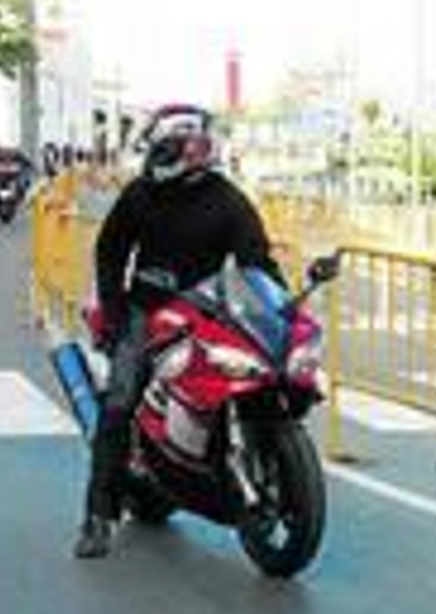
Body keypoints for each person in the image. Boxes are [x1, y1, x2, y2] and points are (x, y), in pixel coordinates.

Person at [73, 103, 283, 559]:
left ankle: (213, 466)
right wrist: (114, 310)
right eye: (174, 146)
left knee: (249, 376)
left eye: (195, 146)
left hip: (206, 312)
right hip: (145, 311)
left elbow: (256, 261)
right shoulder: (141, 194)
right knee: (119, 404)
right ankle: (97, 517)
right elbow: (110, 250)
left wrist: (279, 308)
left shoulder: (226, 198)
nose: (194, 153)